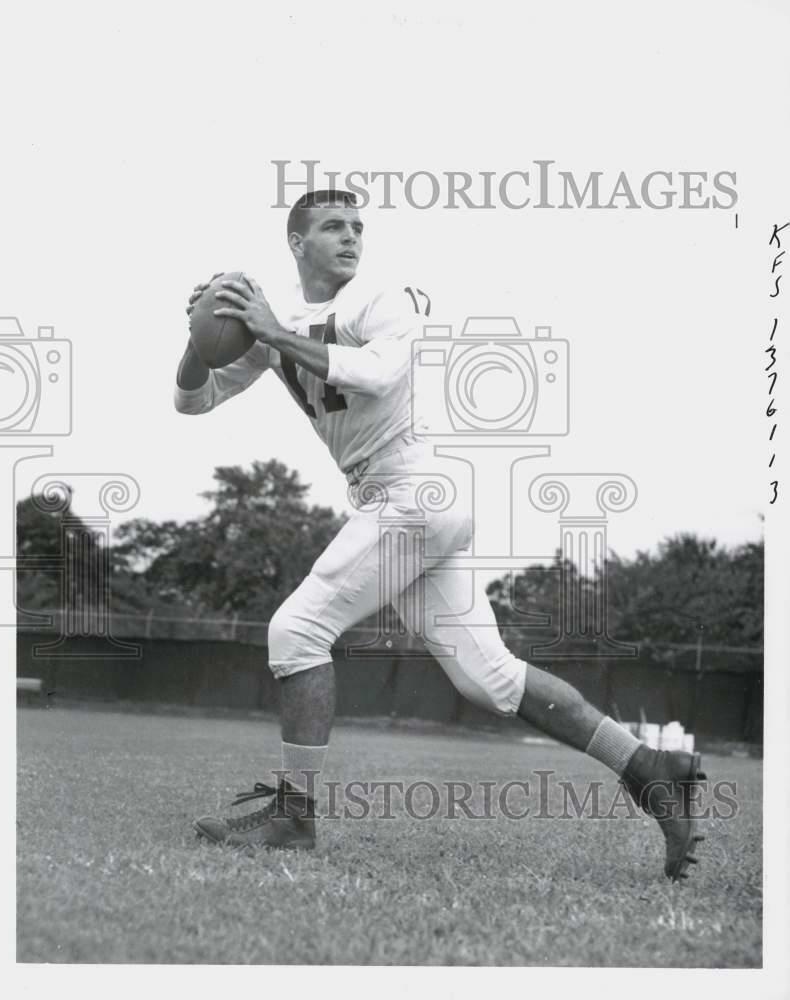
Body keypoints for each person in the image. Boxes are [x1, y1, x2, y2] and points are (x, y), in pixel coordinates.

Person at [174, 189, 705, 880]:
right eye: (332, 227)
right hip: (399, 500)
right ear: (296, 243)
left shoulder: (380, 298)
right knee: (491, 678)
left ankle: (293, 815)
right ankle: (649, 767)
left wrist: (271, 331)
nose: (351, 237)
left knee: (295, 631)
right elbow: (192, 400)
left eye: (358, 227)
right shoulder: (278, 322)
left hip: (414, 490)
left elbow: (377, 371)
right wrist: (198, 336)